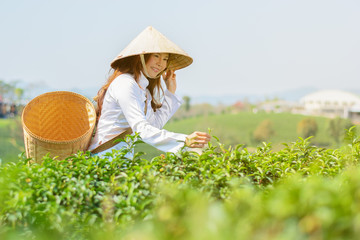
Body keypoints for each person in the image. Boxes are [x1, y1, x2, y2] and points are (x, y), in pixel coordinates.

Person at [87, 26, 211, 157]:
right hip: (103, 159)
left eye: (165, 59)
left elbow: (154, 125)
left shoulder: (143, 91)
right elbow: (142, 130)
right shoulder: (125, 84)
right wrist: (184, 140)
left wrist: (170, 92)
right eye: (156, 56)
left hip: (121, 160)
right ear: (140, 57)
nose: (160, 63)